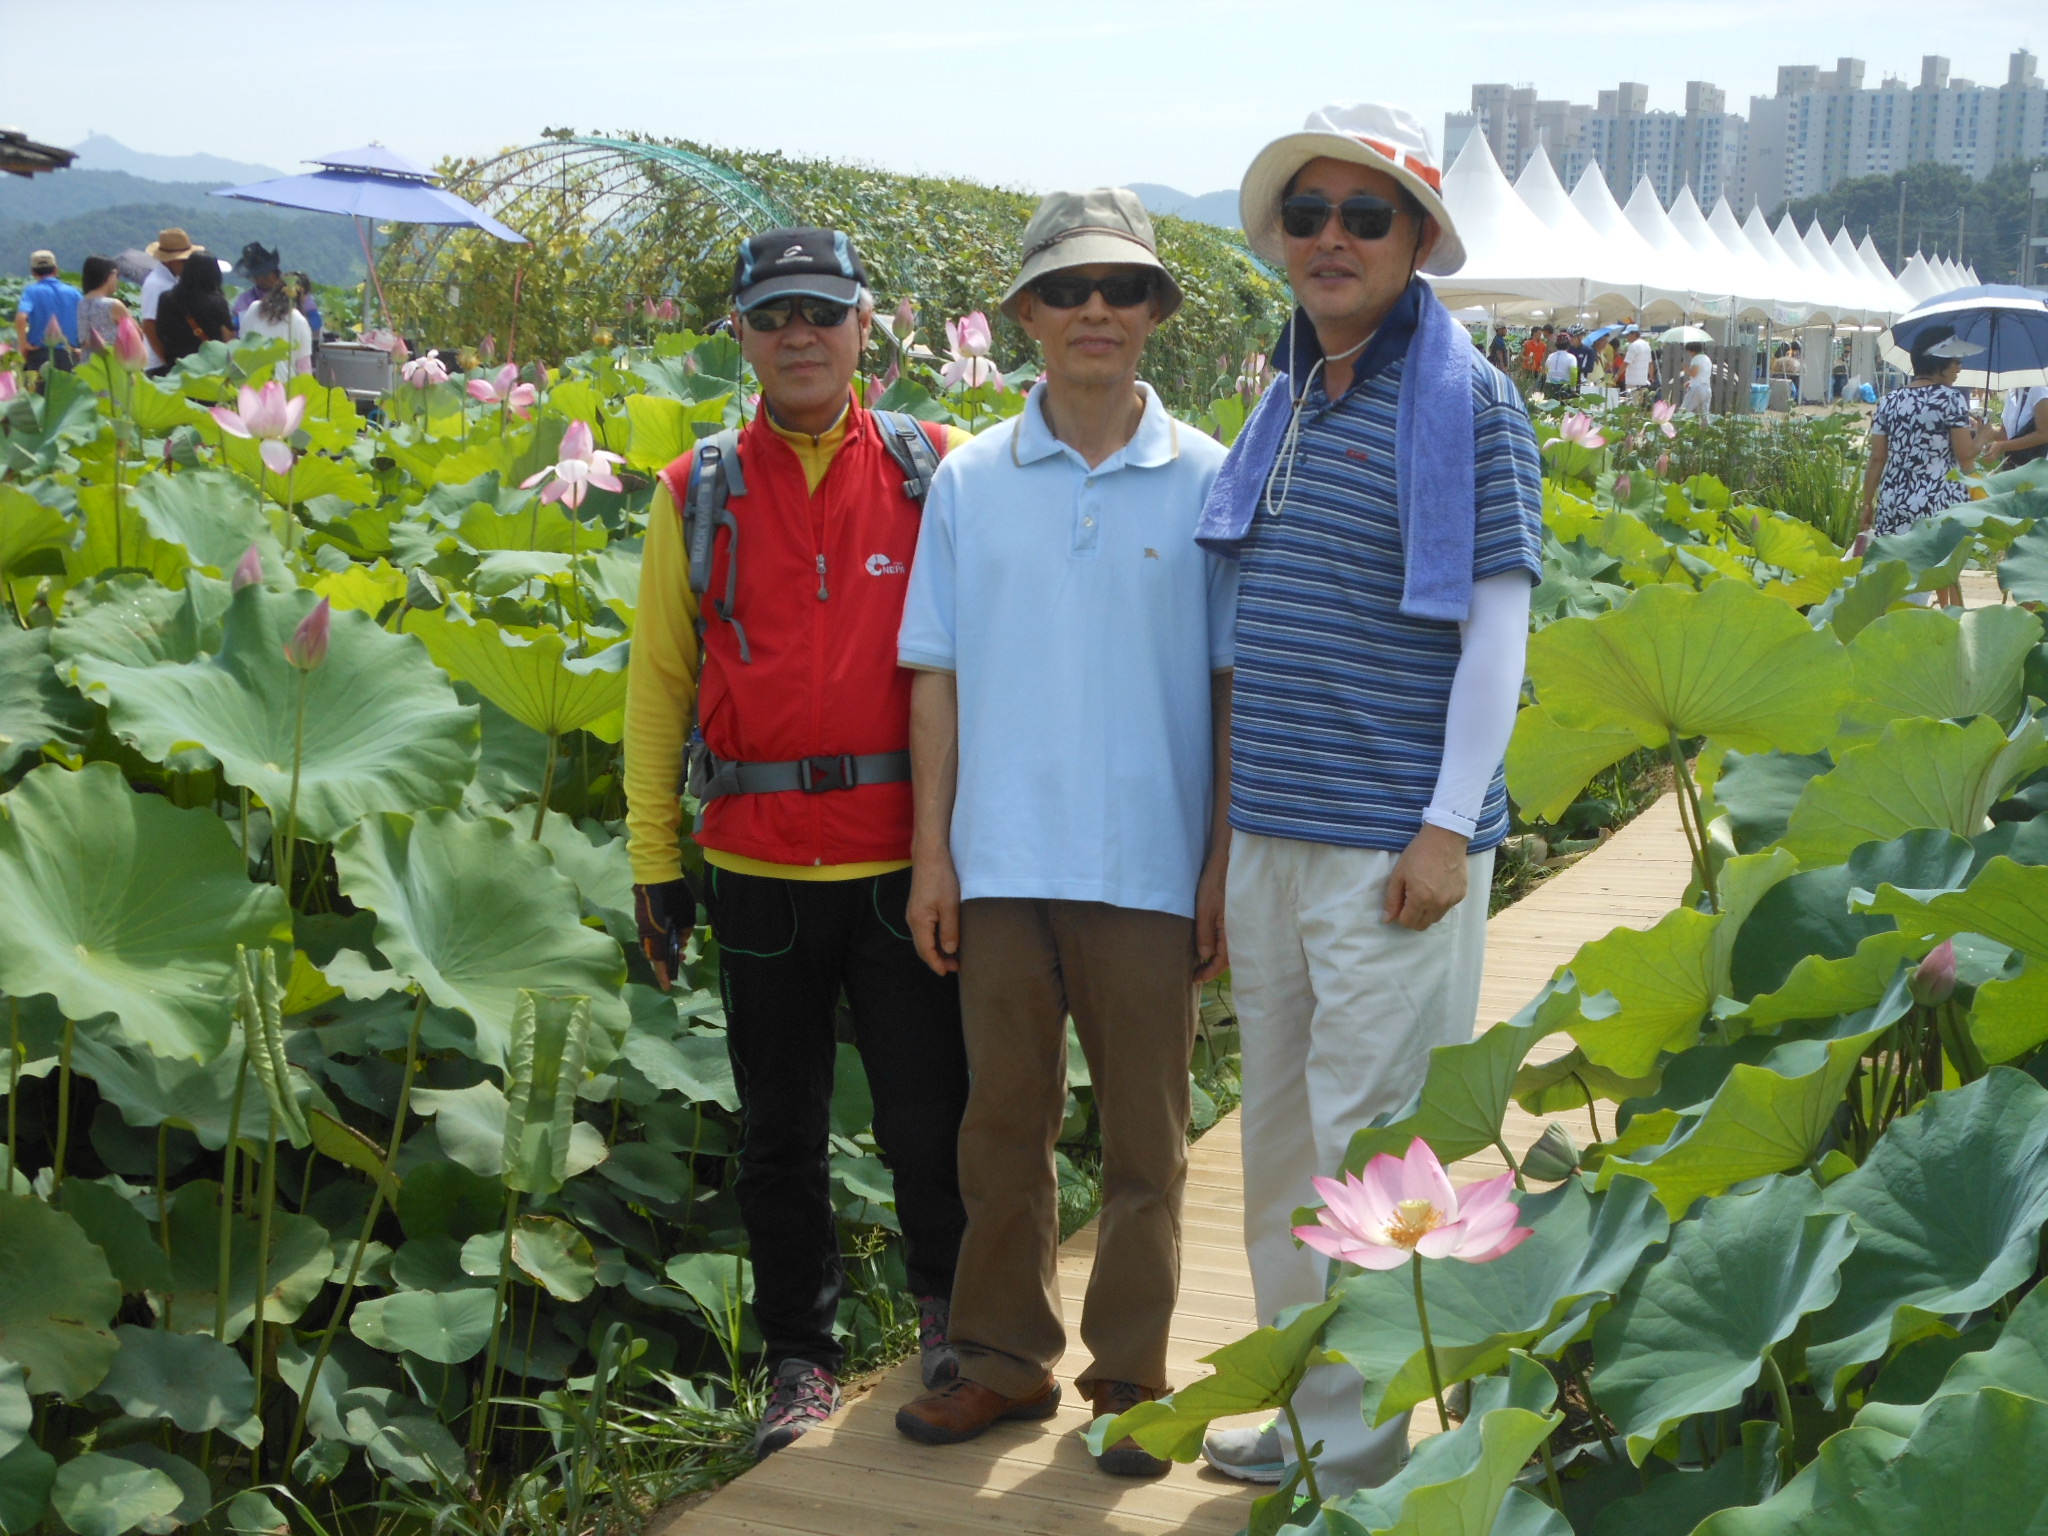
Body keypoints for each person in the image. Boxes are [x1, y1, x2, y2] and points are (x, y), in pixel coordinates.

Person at [1190, 101, 1542, 1496]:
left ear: (1415, 239)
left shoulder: (1469, 402)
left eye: (1363, 215)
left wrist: (1447, 824)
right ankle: (1305, 1414)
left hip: (1391, 848)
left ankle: (1360, 1456)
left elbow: (1499, 629)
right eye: (1307, 214)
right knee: (1282, 1139)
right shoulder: (1287, 396)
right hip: (1275, 834)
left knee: (1371, 1154)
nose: (1330, 238)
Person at [890, 187, 1235, 1478]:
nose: (1097, 309)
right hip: (998, 861)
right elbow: (936, 675)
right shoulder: (971, 478)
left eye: (1123, 288)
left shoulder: (1210, 476)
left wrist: (1219, 861)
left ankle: (1130, 1377)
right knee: (1001, 1126)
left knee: (1147, 1141)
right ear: (1027, 312)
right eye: (1069, 289)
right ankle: (1000, 1358)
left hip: (1148, 861)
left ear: (1155, 312)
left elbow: (1230, 685)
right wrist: (934, 854)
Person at [625, 226, 971, 1462]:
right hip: (757, 867)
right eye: (773, 316)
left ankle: (949, 1318)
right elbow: (658, 686)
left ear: (865, 326)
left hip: (902, 866)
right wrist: (652, 860)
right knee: (778, 1134)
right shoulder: (695, 488)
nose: (799, 335)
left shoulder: (939, 469)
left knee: (930, 1117)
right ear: (740, 335)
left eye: (823, 311)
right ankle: (799, 1361)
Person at [1859, 330, 1981, 597]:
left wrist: (1867, 503)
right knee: (1945, 573)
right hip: (1938, 501)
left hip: (1894, 499)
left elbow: (1877, 458)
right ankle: (1949, 616)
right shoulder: (1950, 399)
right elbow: (1965, 455)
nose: (1959, 368)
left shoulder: (1888, 401)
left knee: (1902, 577)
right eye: (1956, 361)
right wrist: (1984, 436)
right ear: (1939, 362)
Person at [152, 253, 235, 374]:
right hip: (208, 369)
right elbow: (228, 339)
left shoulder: (166, 298)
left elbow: (160, 332)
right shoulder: (217, 302)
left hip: (175, 367)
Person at [139, 228, 200, 369]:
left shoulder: (172, 280)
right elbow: (149, 326)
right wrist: (166, 360)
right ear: (171, 261)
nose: (187, 264)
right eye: (184, 260)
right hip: (158, 363)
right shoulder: (155, 285)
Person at [14, 250, 80, 372]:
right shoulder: (73, 292)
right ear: (56, 270)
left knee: (41, 384)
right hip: (69, 353)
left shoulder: (31, 292)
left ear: (33, 272)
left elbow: (21, 318)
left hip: (40, 354)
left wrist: (23, 344)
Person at [239, 273, 315, 375]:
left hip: (251, 380)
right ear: (302, 295)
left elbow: (242, 343)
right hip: (284, 383)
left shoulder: (254, 308)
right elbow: (304, 370)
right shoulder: (299, 321)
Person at [75, 256, 132, 360]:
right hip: (111, 362)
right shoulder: (114, 305)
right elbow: (135, 335)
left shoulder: (81, 303)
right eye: (117, 275)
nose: (118, 280)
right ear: (110, 274)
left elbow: (84, 341)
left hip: (88, 362)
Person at [1983, 382, 2048, 468]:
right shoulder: (2012, 391)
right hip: (2014, 466)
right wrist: (1986, 431)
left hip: (2035, 468)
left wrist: (2002, 446)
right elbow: (2006, 434)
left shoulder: (2038, 389)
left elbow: (2044, 434)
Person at [1680, 339, 1713, 419]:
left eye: (1689, 352)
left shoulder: (1696, 359)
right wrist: (1691, 382)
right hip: (1707, 389)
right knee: (1704, 417)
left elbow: (1694, 373)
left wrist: (1685, 368)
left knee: (1683, 412)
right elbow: (1702, 375)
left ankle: (1675, 426)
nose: (1689, 354)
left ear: (1693, 350)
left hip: (1697, 389)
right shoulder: (1707, 358)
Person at [1622, 324, 1654, 398]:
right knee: (1640, 402)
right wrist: (1651, 376)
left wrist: (1616, 377)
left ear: (1634, 334)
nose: (1627, 337)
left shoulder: (1633, 346)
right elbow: (1650, 363)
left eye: (1627, 335)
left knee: (1631, 402)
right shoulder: (1646, 345)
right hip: (1643, 381)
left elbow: (1626, 363)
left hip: (1632, 382)